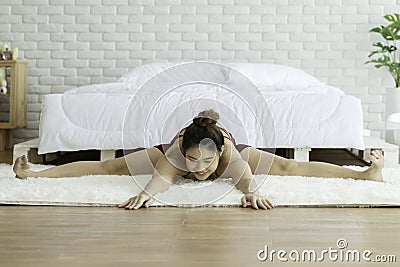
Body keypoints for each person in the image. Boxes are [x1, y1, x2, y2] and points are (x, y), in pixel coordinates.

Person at [13, 109, 384, 210]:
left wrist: (251, 192)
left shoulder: (230, 155)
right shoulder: (176, 155)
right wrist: (147, 194)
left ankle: (365, 176)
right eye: (192, 162)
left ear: (220, 153)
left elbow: (245, 181)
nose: (198, 169)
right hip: (178, 141)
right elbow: (160, 178)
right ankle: (36, 175)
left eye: (205, 163)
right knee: (109, 166)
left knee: (290, 167)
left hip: (225, 142)